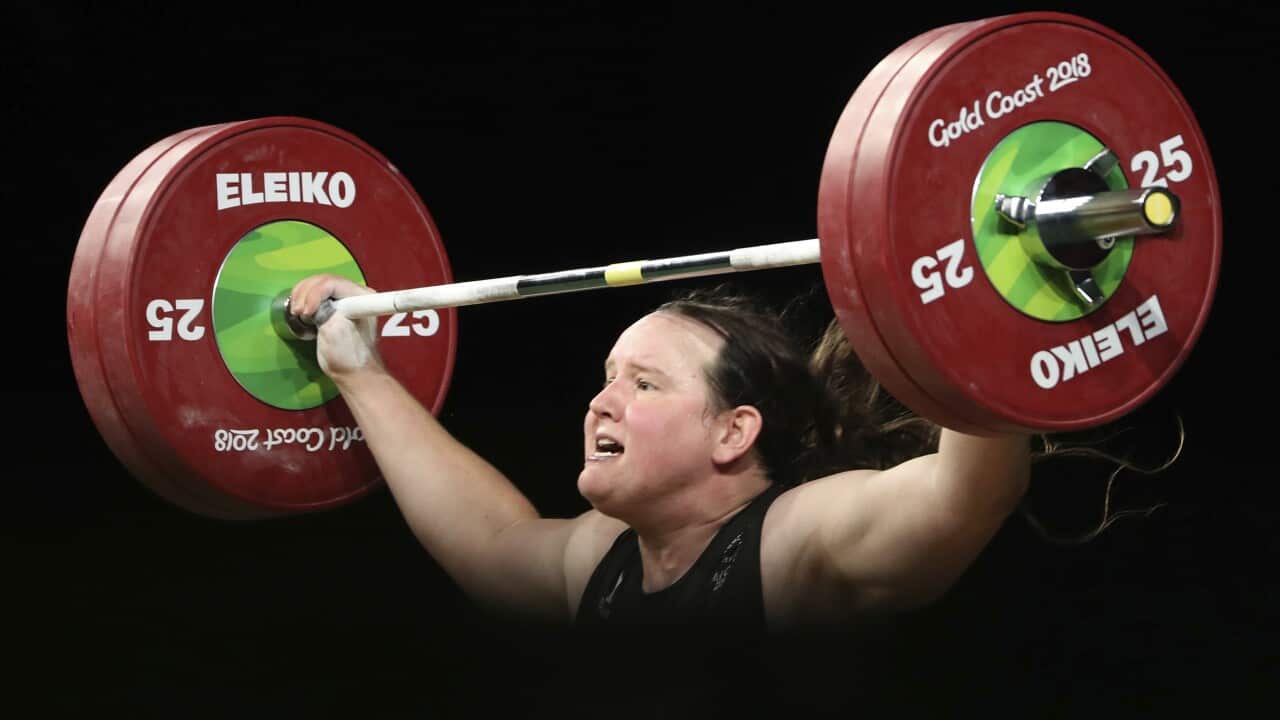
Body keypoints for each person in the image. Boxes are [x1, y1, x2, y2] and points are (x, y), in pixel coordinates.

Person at [288, 275, 1031, 630]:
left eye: (644, 385)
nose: (601, 403)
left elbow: (962, 495)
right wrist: (359, 371)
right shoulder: (603, 559)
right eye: (607, 379)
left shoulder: (795, 541)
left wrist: (999, 303)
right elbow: (490, 541)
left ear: (732, 434)